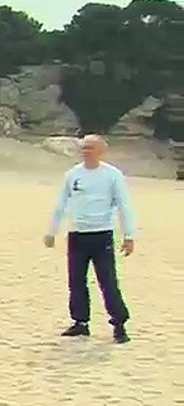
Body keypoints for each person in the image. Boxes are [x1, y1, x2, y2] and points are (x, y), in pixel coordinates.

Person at [43, 134, 135, 343]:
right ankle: (80, 322)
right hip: (77, 235)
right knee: (76, 281)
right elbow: (61, 204)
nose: (86, 152)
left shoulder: (112, 175)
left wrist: (129, 236)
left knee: (108, 281)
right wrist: (51, 231)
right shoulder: (72, 175)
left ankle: (119, 324)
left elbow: (124, 206)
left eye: (91, 148)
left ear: (101, 150)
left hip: (101, 234)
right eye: (84, 148)